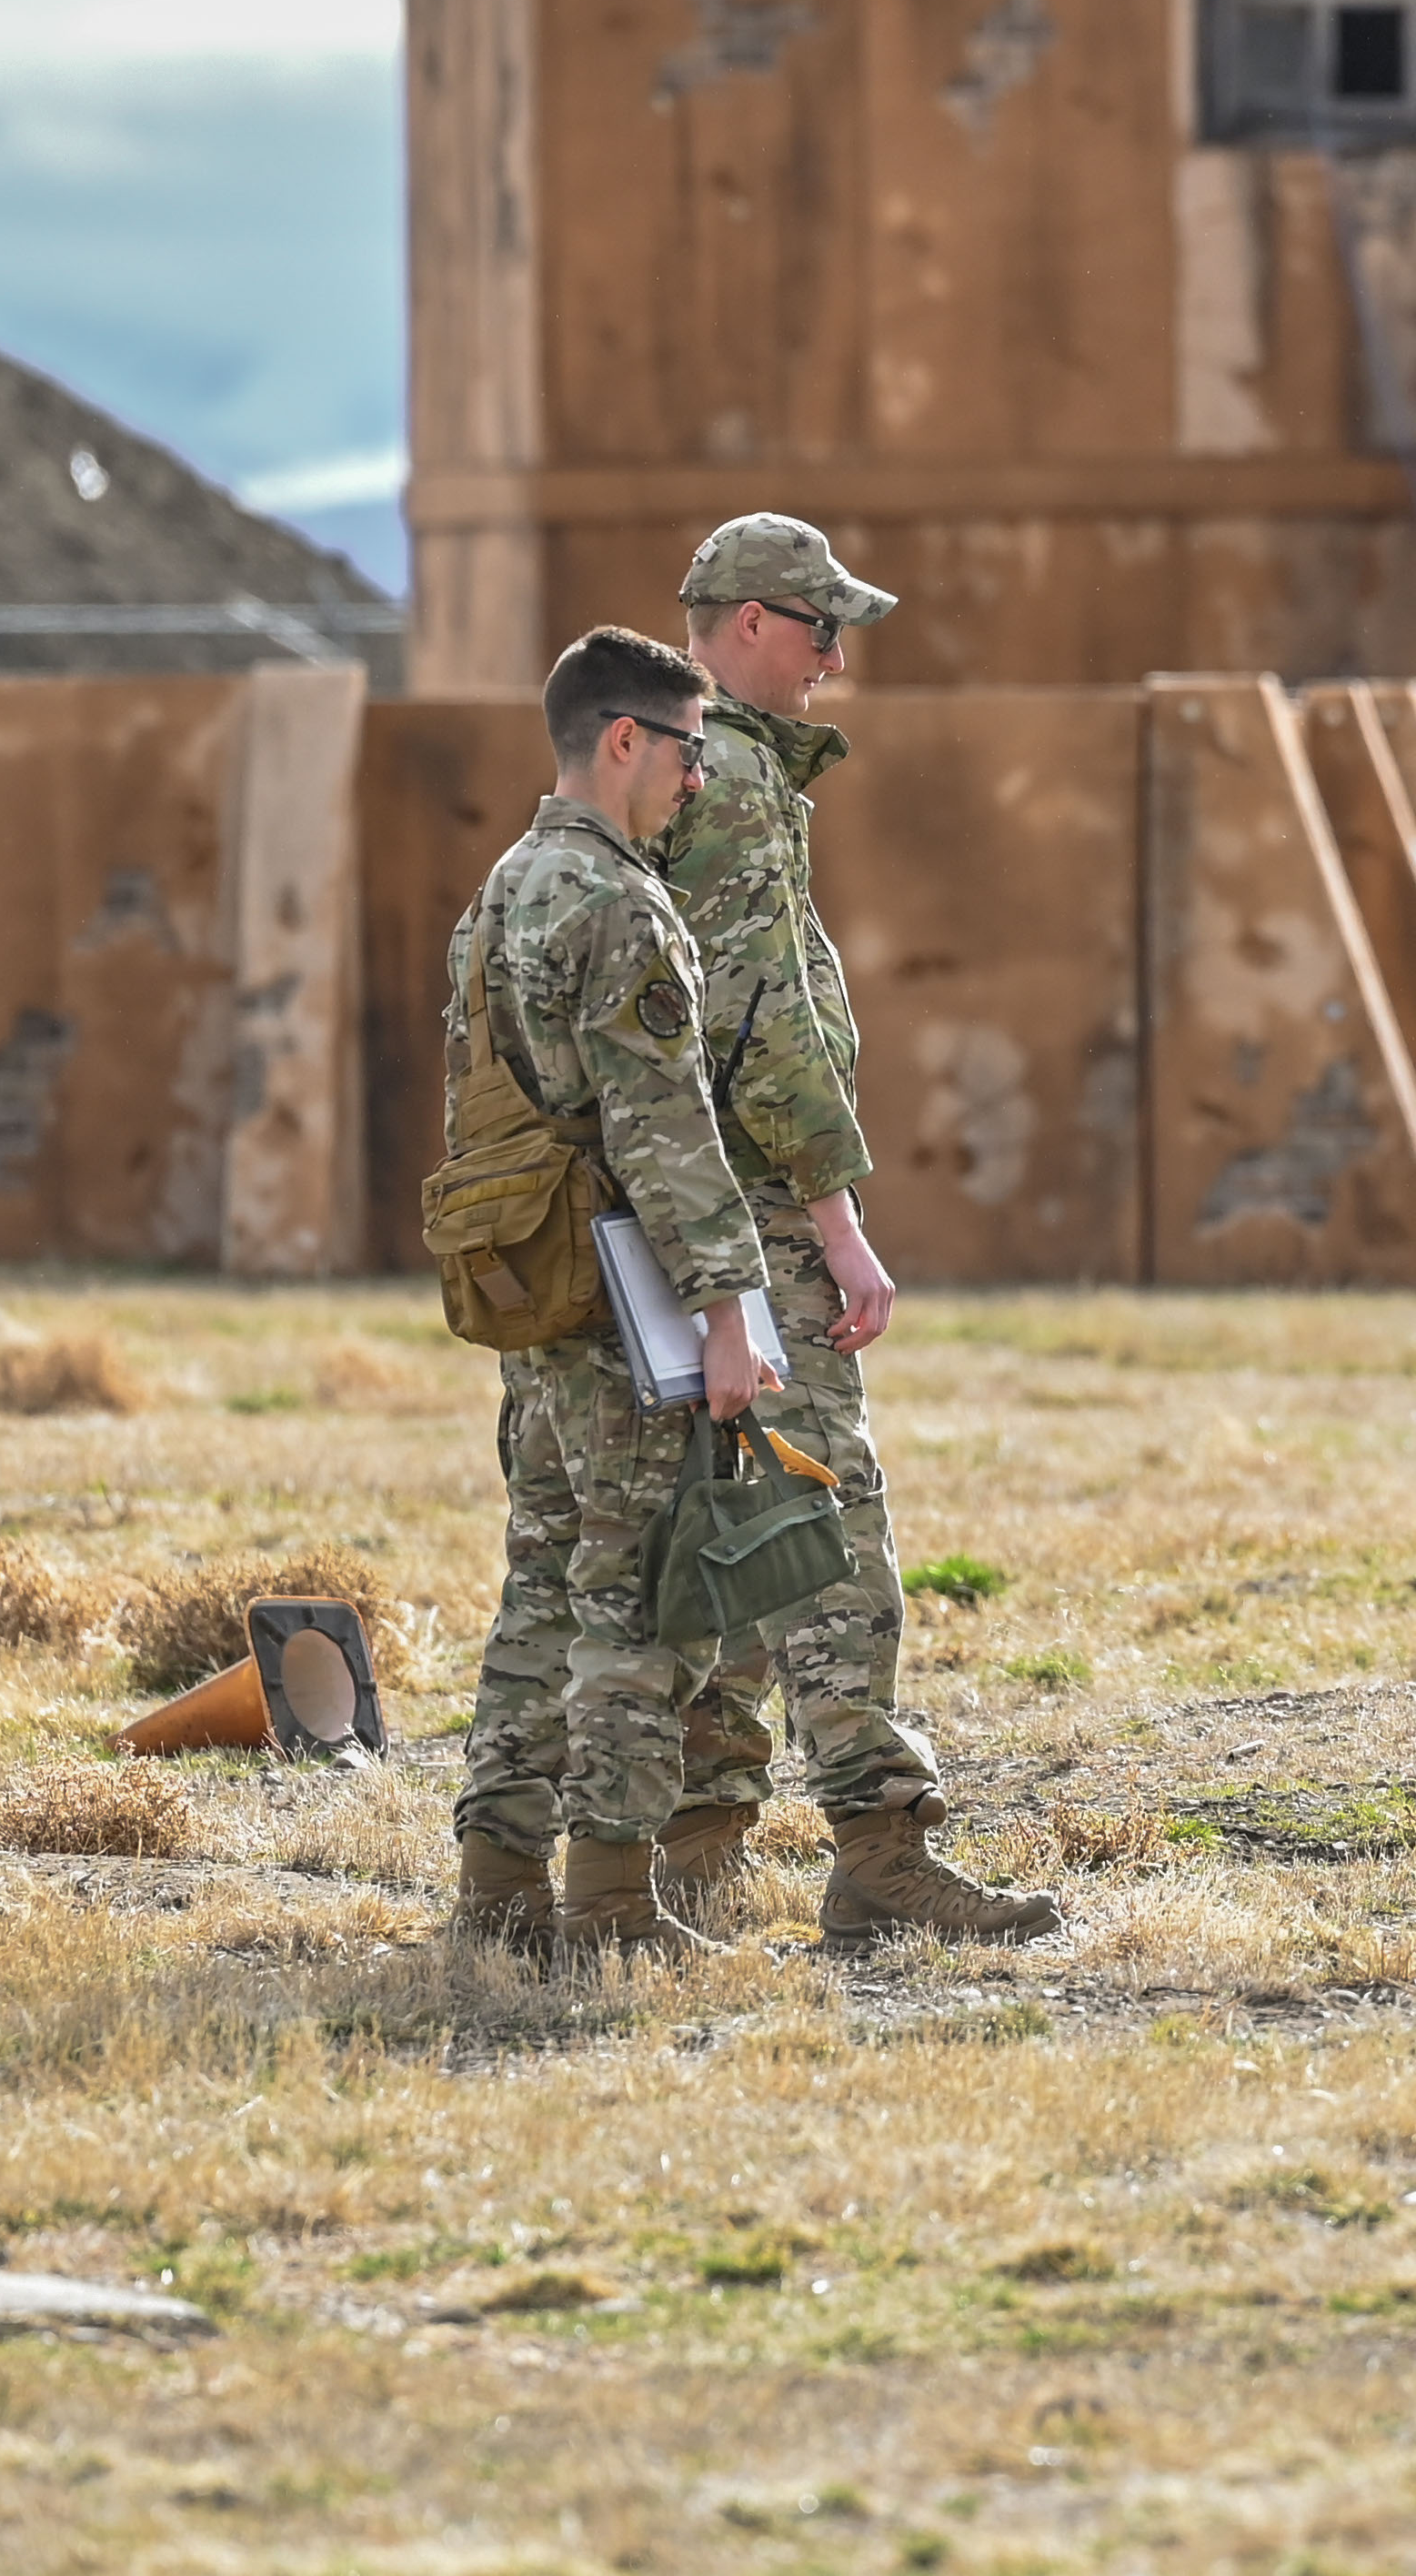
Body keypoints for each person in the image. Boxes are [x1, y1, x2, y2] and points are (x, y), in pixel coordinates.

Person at [648, 513, 1059, 1949]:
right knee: (827, 1515)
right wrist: (838, 1219)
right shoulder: (737, 780)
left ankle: (691, 1844)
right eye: (823, 628)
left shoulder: (663, 763)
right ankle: (881, 1849)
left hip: (674, 1203)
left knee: (715, 1515)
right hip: (754, 1206)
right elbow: (765, 1024)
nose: (836, 658)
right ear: (753, 622)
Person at [447, 628, 777, 1960]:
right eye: (690, 750)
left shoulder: (502, 892)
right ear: (625, 739)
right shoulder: (621, 905)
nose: (699, 778)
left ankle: (499, 1887)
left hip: (533, 1296)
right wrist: (729, 1313)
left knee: (538, 1591)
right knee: (638, 1599)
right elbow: (663, 1128)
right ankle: (612, 1906)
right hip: (622, 1309)